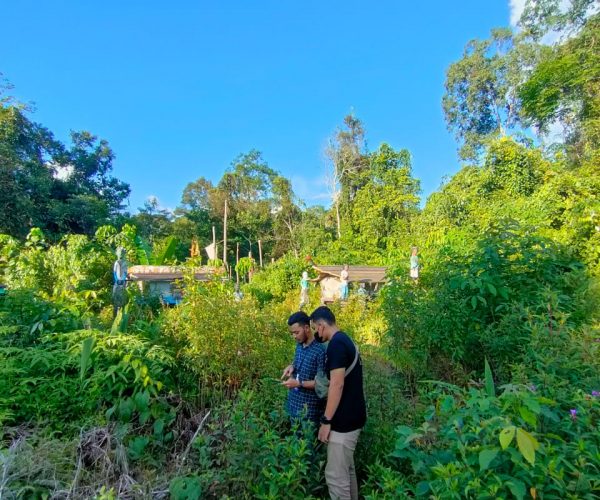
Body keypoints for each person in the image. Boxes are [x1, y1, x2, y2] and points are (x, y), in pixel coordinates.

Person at [310, 306, 366, 500]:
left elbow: (337, 384)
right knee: (347, 471)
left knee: (335, 477)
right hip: (354, 417)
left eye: (316, 328)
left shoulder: (336, 345)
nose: (316, 333)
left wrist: (326, 421)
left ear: (322, 325)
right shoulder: (345, 340)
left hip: (344, 423)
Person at [281, 311, 325, 428]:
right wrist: (292, 366)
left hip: (309, 414)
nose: (294, 336)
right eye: (292, 333)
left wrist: (298, 384)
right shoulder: (299, 345)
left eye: (296, 332)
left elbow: (322, 385)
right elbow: (297, 362)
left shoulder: (320, 351)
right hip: (293, 407)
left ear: (306, 328)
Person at [112, 247, 128, 317]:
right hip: (117, 282)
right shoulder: (116, 263)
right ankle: (115, 315)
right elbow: (114, 273)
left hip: (123, 282)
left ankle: (122, 314)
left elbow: (125, 272)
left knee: (122, 298)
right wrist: (117, 280)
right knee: (115, 297)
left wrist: (123, 280)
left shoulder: (125, 263)